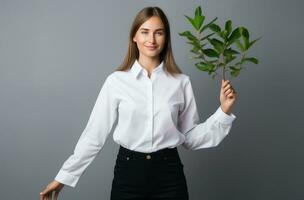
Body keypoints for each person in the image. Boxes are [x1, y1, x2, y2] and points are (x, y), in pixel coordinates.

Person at [40, 6, 237, 200]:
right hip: (128, 176)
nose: (151, 40)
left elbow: (190, 138)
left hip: (169, 175)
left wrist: (223, 111)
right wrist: (63, 177)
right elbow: (94, 135)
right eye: (145, 32)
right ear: (134, 36)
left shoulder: (181, 82)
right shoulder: (116, 81)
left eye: (158, 33)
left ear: (166, 38)